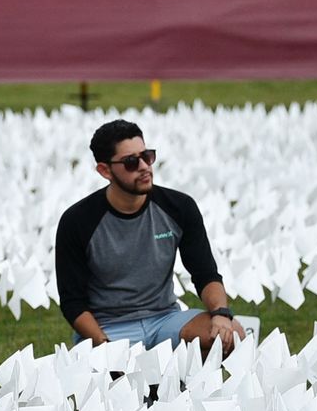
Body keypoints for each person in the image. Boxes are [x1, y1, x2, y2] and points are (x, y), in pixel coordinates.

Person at [57, 119, 246, 353]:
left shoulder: (179, 207)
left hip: (165, 319)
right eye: (131, 162)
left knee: (233, 334)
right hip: (108, 328)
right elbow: (72, 301)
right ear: (105, 170)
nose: (144, 166)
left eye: (147, 156)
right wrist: (104, 345)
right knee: (115, 381)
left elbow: (205, 274)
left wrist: (220, 314)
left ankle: (180, 386)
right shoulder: (77, 221)